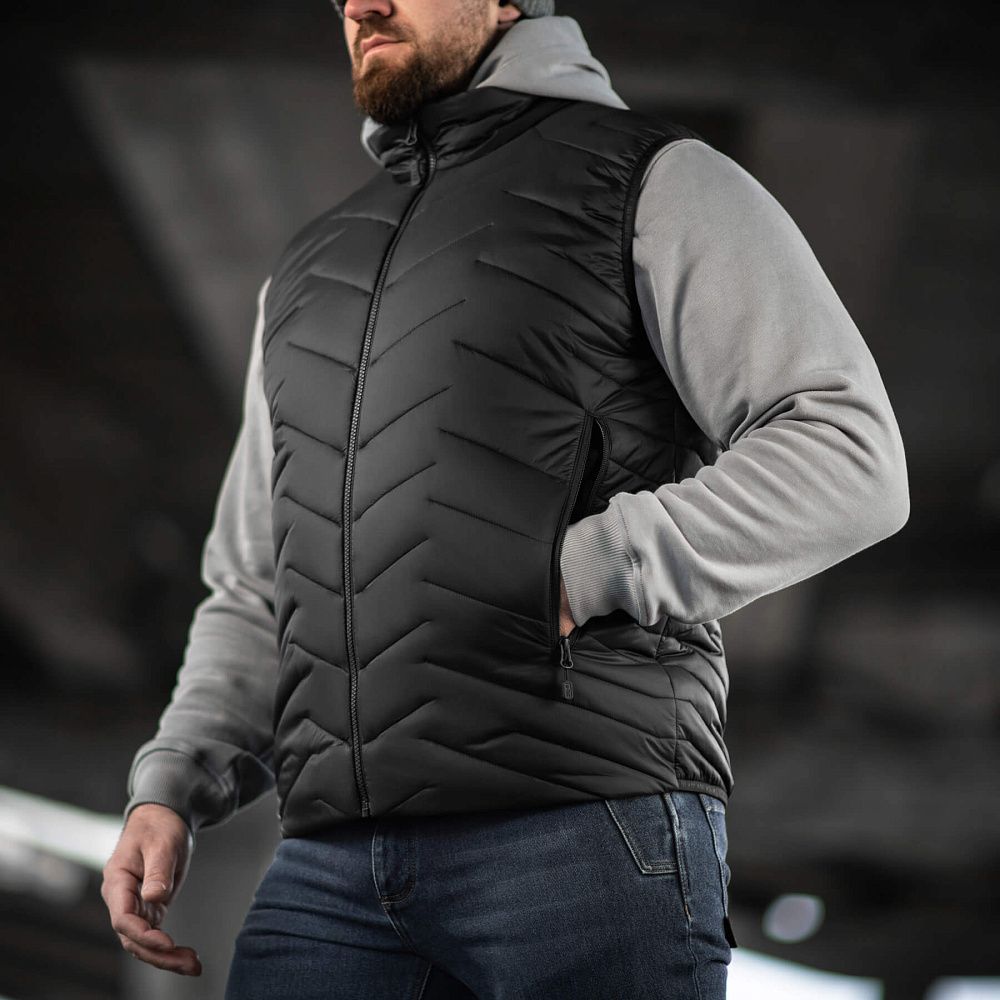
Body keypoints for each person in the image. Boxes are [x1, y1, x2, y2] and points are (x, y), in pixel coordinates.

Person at [100, 1, 911, 997]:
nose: (360, 4)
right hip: (329, 873)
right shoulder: (307, 269)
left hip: (583, 836)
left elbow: (847, 451)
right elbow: (257, 582)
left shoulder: (655, 180)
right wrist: (175, 778)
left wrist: (583, 570)